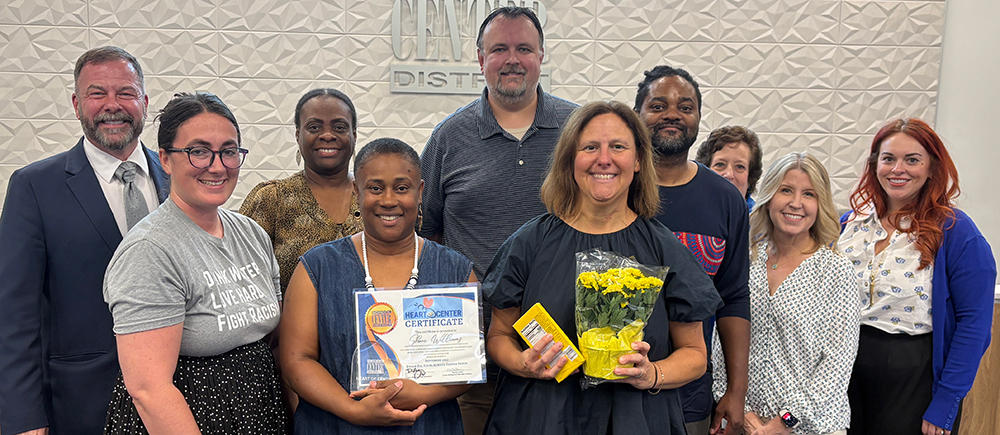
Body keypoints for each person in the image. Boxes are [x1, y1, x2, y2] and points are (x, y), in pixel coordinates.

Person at [482, 101, 722, 434]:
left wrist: (652, 374)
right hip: (541, 419)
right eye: (590, 147)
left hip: (636, 421)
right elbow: (499, 335)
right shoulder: (530, 243)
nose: (604, 159)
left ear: (638, 161)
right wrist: (523, 363)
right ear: (571, 159)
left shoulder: (664, 249)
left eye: (618, 147)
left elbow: (695, 354)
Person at [419, 6, 578, 433]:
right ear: (480, 58)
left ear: (541, 56)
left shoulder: (578, 131)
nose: (512, 60)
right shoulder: (448, 137)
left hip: (566, 355)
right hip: (472, 359)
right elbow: (426, 235)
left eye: (524, 49)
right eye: (499, 49)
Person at [0, 46, 169, 435]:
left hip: (179, 395)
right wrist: (23, 418)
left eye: (125, 93)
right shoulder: (34, 187)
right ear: (77, 105)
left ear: (144, 103)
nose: (112, 105)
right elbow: (14, 315)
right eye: (97, 94)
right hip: (82, 402)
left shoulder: (178, 178)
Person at [103, 92, 286, 433]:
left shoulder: (252, 235)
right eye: (198, 151)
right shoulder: (150, 251)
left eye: (228, 151)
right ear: (165, 159)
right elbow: (149, 390)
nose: (217, 166)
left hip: (257, 411)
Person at [280, 138, 474, 434]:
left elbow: (467, 363)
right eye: (375, 188)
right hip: (335, 425)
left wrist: (425, 394)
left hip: (429, 425)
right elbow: (296, 360)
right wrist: (354, 411)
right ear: (356, 192)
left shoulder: (456, 271)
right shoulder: (317, 267)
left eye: (402, 188)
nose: (389, 200)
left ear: (420, 191)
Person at [839, 118, 995, 435]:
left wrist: (946, 402)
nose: (898, 169)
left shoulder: (956, 231)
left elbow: (974, 324)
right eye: (888, 159)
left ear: (932, 168)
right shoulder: (849, 225)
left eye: (912, 160)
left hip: (913, 377)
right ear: (875, 165)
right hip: (843, 371)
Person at [634, 65, 751, 435]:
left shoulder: (726, 200)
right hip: (610, 387)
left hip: (690, 396)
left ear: (699, 118)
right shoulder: (617, 188)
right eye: (658, 106)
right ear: (637, 114)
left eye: (685, 107)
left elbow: (734, 297)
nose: (672, 114)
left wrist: (737, 390)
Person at [713, 153, 860, 435]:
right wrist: (744, 414)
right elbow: (722, 342)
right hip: (744, 423)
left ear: (820, 204)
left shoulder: (836, 271)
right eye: (786, 190)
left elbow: (837, 363)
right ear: (769, 197)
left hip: (813, 428)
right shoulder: (745, 261)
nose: (796, 203)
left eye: (809, 194)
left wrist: (785, 423)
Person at [240, 88, 363, 296]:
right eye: (314, 127)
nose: (327, 135)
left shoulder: (376, 197)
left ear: (354, 135)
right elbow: (240, 278)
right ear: (298, 135)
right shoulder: (271, 199)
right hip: (286, 318)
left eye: (339, 127)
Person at [694, 125, 764, 210]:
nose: (729, 175)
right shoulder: (687, 212)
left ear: (750, 178)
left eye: (739, 167)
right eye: (720, 165)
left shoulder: (759, 218)